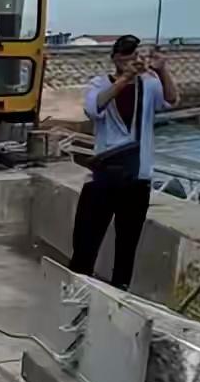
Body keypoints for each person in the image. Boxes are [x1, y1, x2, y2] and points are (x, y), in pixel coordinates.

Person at [69, 35, 179, 289]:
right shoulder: (99, 84)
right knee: (86, 241)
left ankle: (120, 294)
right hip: (103, 176)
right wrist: (125, 79)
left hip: (137, 177)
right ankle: (76, 289)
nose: (133, 60)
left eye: (136, 54)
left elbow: (172, 100)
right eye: (127, 55)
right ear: (115, 58)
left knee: (127, 246)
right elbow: (94, 108)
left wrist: (163, 71)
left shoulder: (149, 85)